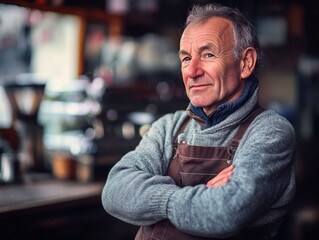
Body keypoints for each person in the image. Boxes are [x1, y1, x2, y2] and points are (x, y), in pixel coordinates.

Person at [101, 3, 296, 240]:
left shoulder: (270, 132)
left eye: (208, 54)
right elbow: (114, 190)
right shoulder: (169, 127)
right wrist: (186, 197)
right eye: (185, 58)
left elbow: (225, 213)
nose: (192, 71)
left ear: (245, 62)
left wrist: (150, 200)